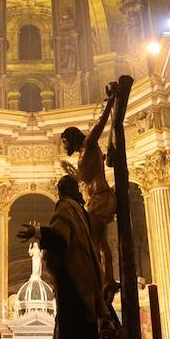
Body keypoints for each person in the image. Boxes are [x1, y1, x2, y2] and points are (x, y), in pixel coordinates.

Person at [18, 174, 114, 339]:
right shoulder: (80, 211)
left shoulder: (65, 207)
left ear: (62, 192)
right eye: (77, 189)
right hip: (86, 274)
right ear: (72, 190)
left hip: (74, 275)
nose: (80, 192)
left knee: (73, 323)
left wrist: (37, 232)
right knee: (85, 325)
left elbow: (61, 237)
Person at [59, 86, 117, 293]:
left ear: (72, 137)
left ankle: (98, 280)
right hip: (96, 199)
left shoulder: (89, 144)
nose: (65, 147)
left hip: (102, 197)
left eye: (65, 142)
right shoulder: (83, 155)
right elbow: (86, 176)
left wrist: (111, 101)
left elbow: (101, 124)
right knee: (100, 242)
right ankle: (107, 279)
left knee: (89, 239)